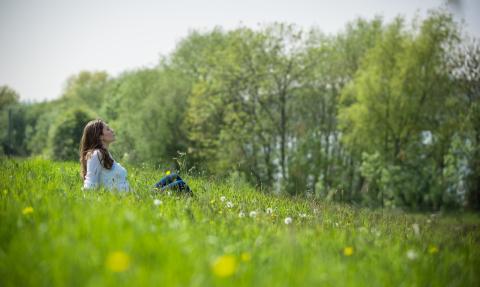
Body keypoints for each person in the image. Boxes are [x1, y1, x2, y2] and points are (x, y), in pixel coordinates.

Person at [79, 119, 191, 194]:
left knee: (174, 176)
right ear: (100, 136)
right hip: (131, 201)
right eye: (107, 129)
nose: (112, 130)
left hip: (135, 196)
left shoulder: (105, 153)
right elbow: (90, 184)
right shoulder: (95, 155)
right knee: (180, 185)